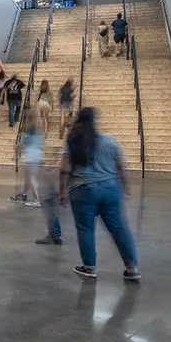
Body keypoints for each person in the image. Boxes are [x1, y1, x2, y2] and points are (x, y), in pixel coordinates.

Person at [58, 107, 140, 281]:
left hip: (83, 191)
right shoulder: (109, 140)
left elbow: (64, 169)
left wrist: (61, 192)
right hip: (110, 190)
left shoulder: (73, 141)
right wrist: (125, 187)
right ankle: (132, 268)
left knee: (86, 229)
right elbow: (120, 166)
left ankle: (89, 267)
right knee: (119, 228)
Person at [12, 106, 43, 207]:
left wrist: (17, 148)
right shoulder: (38, 129)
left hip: (31, 155)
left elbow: (24, 143)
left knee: (30, 178)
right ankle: (23, 194)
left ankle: (36, 199)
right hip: (37, 154)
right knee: (27, 177)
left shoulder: (29, 129)